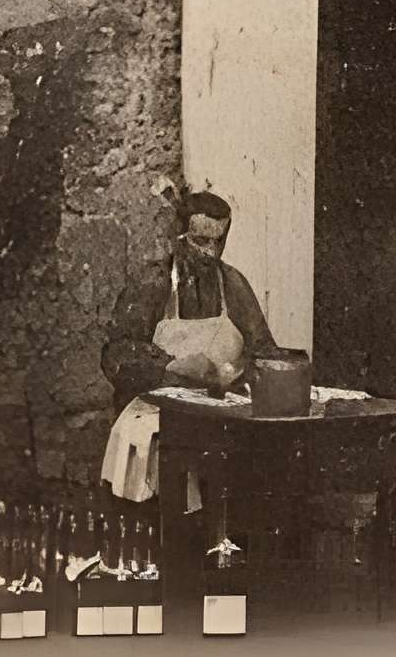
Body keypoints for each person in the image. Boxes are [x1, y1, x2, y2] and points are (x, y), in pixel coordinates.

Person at [99, 191, 273, 507]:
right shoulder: (154, 282)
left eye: (219, 242)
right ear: (179, 236)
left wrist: (233, 371)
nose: (210, 252)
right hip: (160, 420)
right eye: (200, 241)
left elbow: (264, 352)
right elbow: (116, 353)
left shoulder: (233, 284)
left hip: (219, 420)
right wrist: (168, 367)